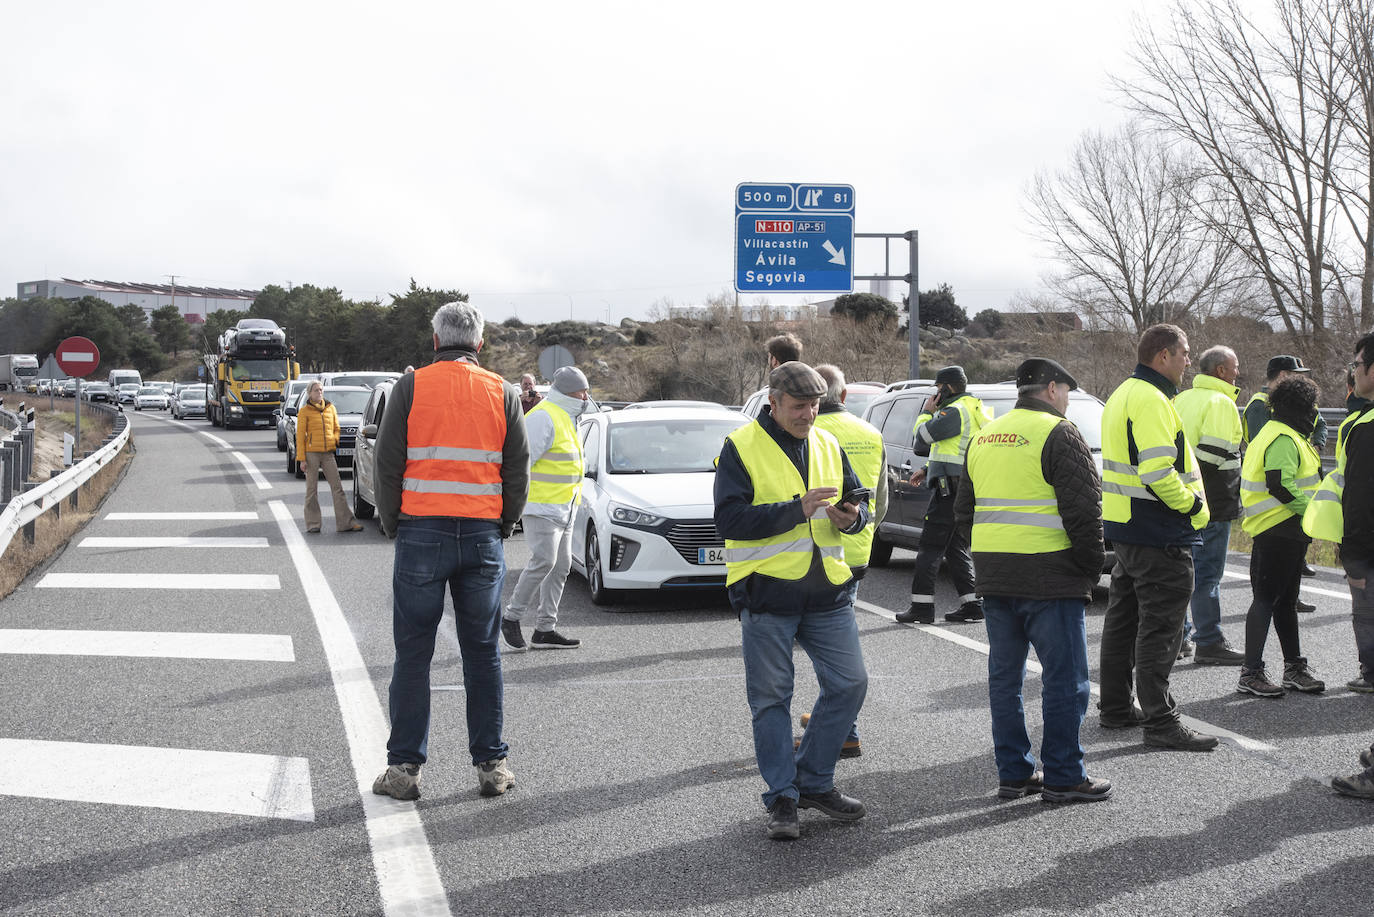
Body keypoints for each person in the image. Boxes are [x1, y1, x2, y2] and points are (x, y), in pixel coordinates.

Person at [371, 301, 530, 801]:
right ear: (479, 343)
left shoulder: (412, 385)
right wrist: (503, 523)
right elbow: (516, 469)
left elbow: (388, 461)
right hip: (481, 536)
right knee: (482, 655)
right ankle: (492, 768)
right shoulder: (503, 391)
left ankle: (404, 772)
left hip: (421, 533)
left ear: (436, 340)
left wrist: (393, 521)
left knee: (413, 654)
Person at [715, 361, 871, 840]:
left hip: (826, 589)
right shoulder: (740, 447)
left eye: (816, 405)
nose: (809, 414)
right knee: (771, 700)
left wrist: (853, 518)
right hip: (766, 592)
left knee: (850, 684)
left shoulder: (827, 440)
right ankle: (783, 797)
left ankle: (814, 781)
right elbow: (729, 520)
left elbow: (858, 500)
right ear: (774, 403)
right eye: (800, 406)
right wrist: (795, 510)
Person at [957, 358, 1110, 803]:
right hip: (1050, 575)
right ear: (1052, 388)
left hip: (994, 573)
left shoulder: (983, 435)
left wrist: (990, 555)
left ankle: (1015, 773)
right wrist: (1089, 569)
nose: (1066, 400)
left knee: (1005, 680)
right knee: (1065, 681)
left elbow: (964, 513)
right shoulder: (1059, 432)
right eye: (1065, 391)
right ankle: (1063, 775)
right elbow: (1084, 513)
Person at [1098, 324, 1219, 751]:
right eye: (1185, 352)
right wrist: (1192, 506)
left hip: (1127, 527)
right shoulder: (1151, 399)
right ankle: (1161, 720)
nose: (1190, 359)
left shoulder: (1123, 393)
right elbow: (1156, 471)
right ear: (1163, 355)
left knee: (1123, 620)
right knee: (1161, 627)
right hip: (1157, 528)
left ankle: (1115, 707)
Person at [798, 364, 887, 759]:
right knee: (839, 646)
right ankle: (832, 717)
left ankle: (843, 729)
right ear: (845, 395)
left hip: (814, 556)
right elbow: (880, 502)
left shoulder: (810, 434)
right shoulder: (871, 433)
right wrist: (863, 530)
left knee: (830, 650)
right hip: (857, 550)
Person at [1236, 377, 1325, 698]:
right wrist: (1313, 511)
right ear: (1300, 408)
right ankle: (1251, 673)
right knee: (1266, 600)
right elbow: (1279, 484)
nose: (1315, 413)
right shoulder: (1284, 438)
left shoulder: (1280, 433)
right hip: (1278, 530)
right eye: (1312, 407)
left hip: (1286, 531)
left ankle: (1293, 669)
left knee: (1284, 602)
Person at [502, 365, 592, 651]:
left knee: (561, 566)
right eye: (582, 391)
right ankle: (511, 617)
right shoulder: (544, 416)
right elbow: (521, 463)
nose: (586, 396)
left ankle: (545, 629)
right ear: (568, 392)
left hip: (564, 508)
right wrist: (512, 505)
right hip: (541, 507)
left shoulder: (568, 417)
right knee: (545, 561)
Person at [1320, 335, 1374, 796]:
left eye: (1357, 363)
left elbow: (1361, 502)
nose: (1352, 371)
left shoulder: (1369, 425)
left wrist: (1351, 556)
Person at [896, 365, 989, 624]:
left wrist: (927, 412)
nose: (936, 394)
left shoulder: (953, 411)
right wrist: (929, 468)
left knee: (930, 547)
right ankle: (972, 605)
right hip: (962, 485)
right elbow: (957, 448)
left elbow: (922, 437)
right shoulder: (973, 407)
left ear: (947, 388)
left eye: (938, 389)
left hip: (950, 489)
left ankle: (921, 608)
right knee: (955, 546)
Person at [1172, 345, 1246, 665]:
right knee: (1207, 575)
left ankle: (1181, 637)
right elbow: (1213, 458)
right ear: (1220, 371)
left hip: (1178, 499)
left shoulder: (1181, 398)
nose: (1238, 372)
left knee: (1183, 572)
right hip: (1213, 503)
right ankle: (1210, 641)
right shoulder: (1221, 402)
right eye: (1235, 366)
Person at [1245, 354, 1325, 588]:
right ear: (1282, 375)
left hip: (1289, 509)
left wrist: (1316, 442)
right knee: (1267, 593)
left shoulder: (1295, 400)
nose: (1301, 380)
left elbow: (1320, 422)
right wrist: (1309, 509)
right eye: (1296, 375)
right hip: (1273, 512)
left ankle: (1292, 587)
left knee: (1278, 595)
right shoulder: (1262, 406)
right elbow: (1276, 472)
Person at [296, 380, 363, 534]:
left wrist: (335, 440)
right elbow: (300, 437)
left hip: (328, 454)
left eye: (320, 390)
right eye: (315, 390)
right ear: (310, 393)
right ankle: (313, 523)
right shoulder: (305, 411)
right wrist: (302, 459)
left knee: (337, 487)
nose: (319, 392)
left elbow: (336, 428)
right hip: (311, 453)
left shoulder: (330, 408)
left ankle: (346, 523)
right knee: (311, 490)